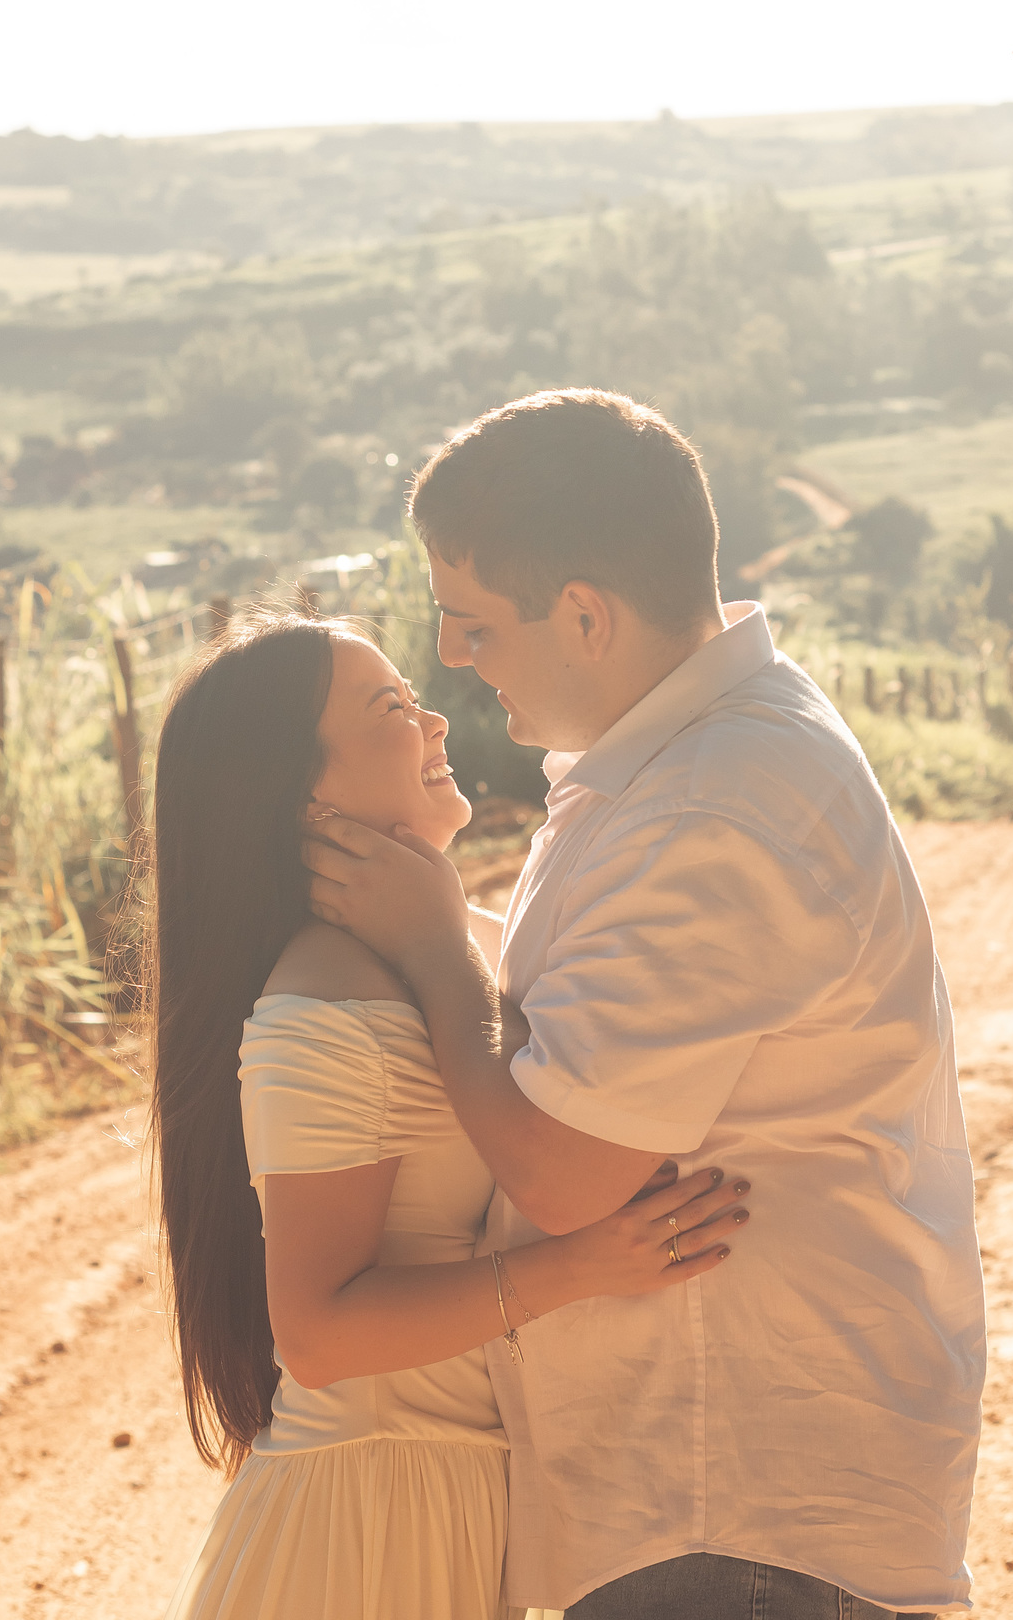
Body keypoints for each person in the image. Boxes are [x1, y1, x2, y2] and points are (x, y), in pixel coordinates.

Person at [303, 388, 988, 1619]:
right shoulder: (690, 754)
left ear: (582, 615)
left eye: (469, 622)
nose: (450, 658)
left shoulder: (708, 808)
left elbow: (567, 1175)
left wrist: (430, 946)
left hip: (737, 1508)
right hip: (727, 1501)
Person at [150, 610, 748, 1620]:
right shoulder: (328, 987)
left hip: (455, 1498)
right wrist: (583, 1265)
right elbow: (318, 1333)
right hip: (368, 1524)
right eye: (389, 706)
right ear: (302, 793)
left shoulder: (456, 942)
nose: (433, 717)